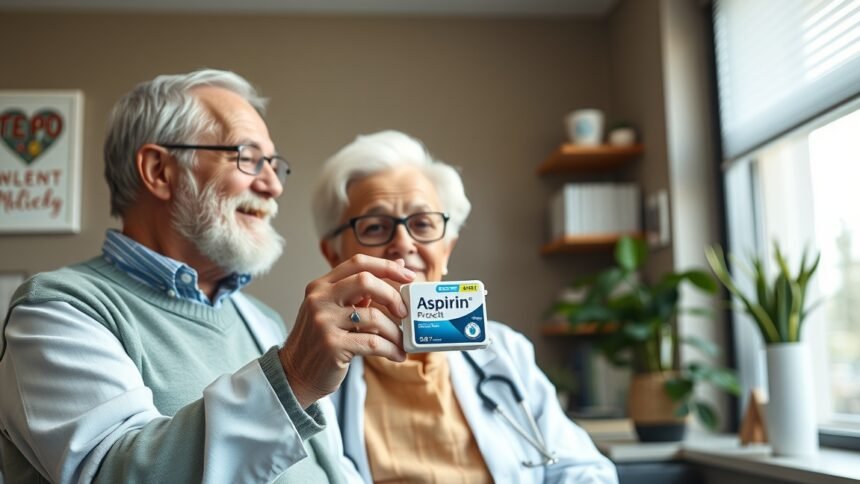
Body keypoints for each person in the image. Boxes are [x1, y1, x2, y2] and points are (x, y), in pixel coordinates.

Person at [0, 70, 416, 483]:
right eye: (248, 158)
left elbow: (332, 469)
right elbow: (119, 475)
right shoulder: (56, 312)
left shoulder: (261, 319)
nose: (273, 185)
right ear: (159, 171)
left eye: (273, 165)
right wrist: (293, 378)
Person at [312, 130, 618, 483]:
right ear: (334, 254)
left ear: (446, 250)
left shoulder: (505, 352)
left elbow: (583, 470)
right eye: (376, 227)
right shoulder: (313, 371)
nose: (404, 243)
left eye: (422, 224)